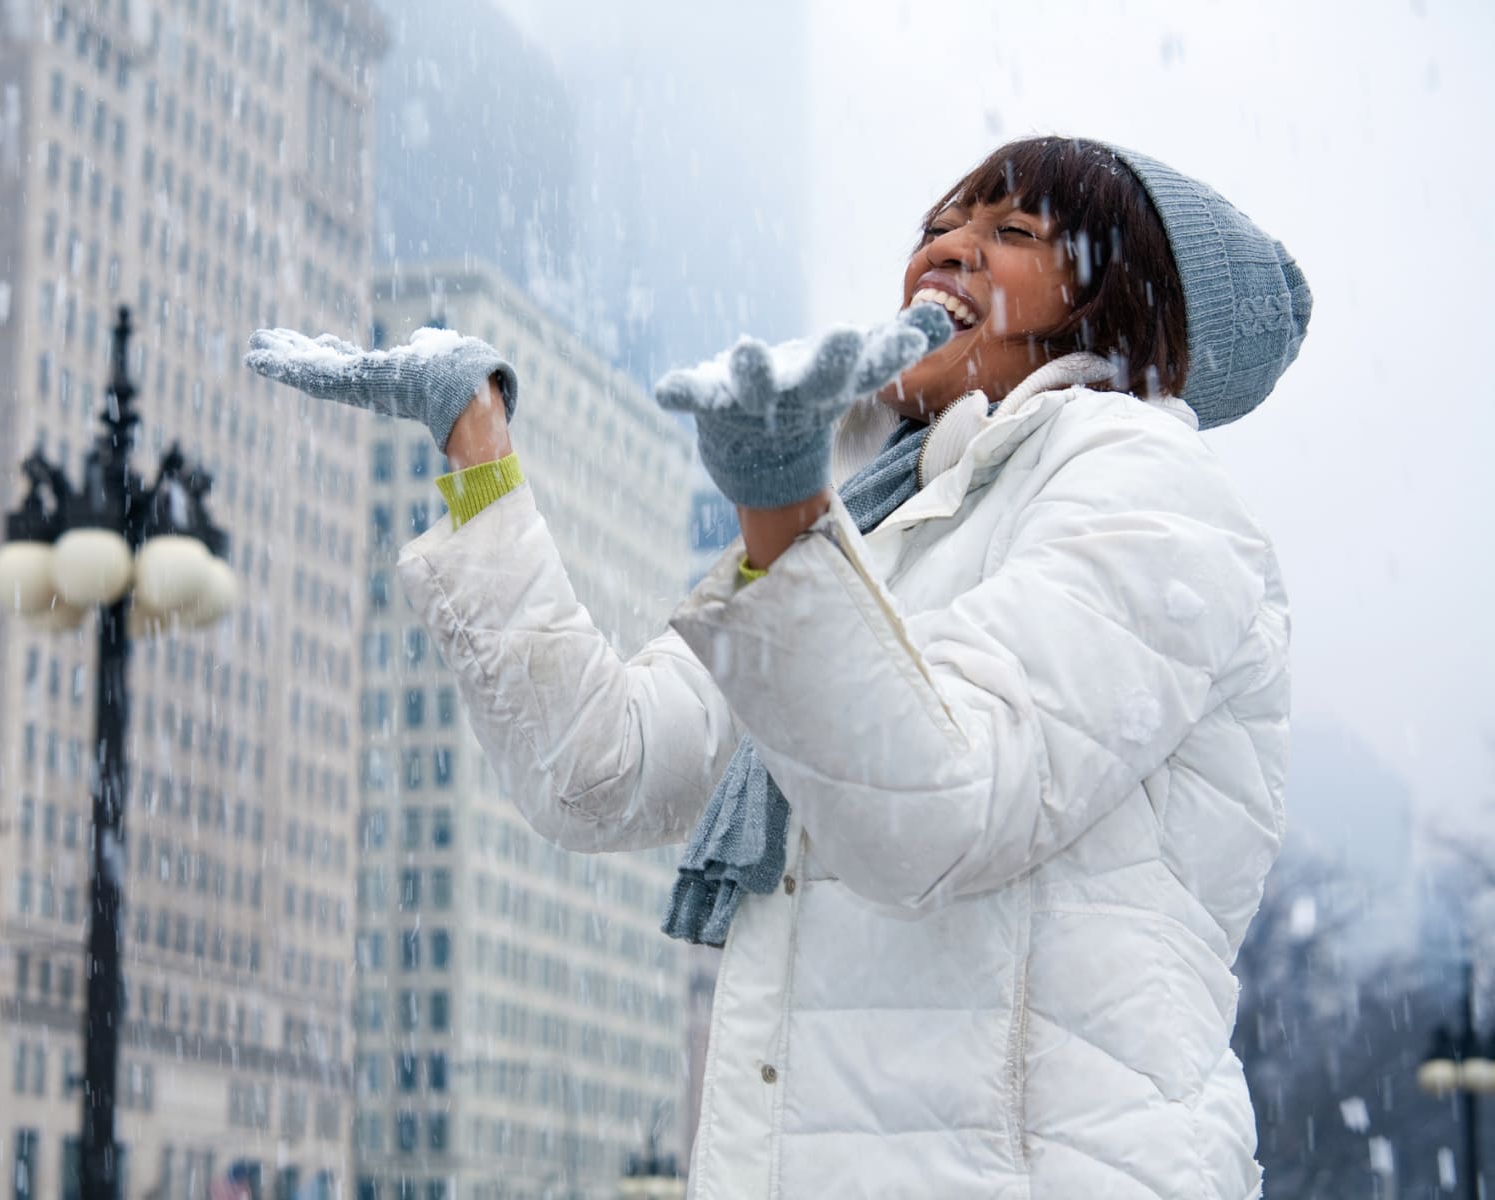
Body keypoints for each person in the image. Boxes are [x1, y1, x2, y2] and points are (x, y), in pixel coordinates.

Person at [246, 136, 1310, 1199]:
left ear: (1114, 306)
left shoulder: (1144, 478)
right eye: (938, 229)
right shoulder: (875, 518)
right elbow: (598, 770)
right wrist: (476, 446)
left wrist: (784, 510)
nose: (948, 251)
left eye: (1013, 232)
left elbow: (941, 806)